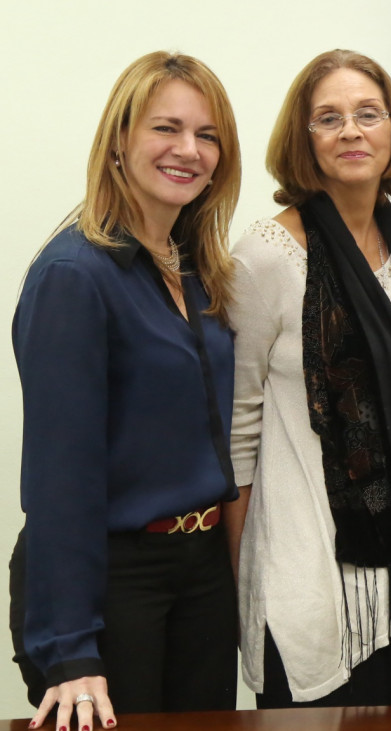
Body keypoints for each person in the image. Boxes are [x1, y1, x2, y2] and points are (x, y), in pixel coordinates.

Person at [226, 49, 391, 707]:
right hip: (311, 571)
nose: (351, 131)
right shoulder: (266, 257)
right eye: (328, 118)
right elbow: (236, 428)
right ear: (302, 140)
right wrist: (234, 580)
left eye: (367, 114)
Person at [9, 51, 242, 730]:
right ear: (119, 141)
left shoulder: (197, 268)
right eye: (166, 128)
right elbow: (61, 478)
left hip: (201, 573)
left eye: (207, 134)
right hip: (114, 581)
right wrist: (72, 647)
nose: (188, 150)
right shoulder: (74, 276)